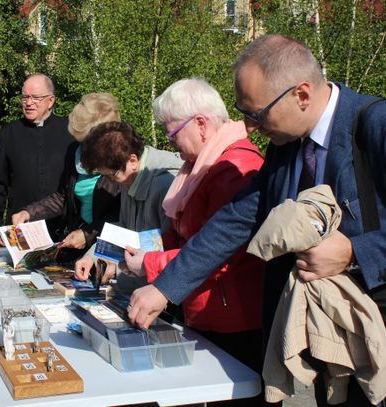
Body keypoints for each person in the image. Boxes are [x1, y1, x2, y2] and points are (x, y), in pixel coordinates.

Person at [127, 34, 386, 406]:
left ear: (301, 94)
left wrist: (354, 251)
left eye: (257, 114)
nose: (250, 126)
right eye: (244, 112)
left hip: (373, 340)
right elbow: (232, 222)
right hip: (320, 344)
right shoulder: (285, 147)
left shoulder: (374, 125)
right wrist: (165, 288)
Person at [124, 78, 265, 389]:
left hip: (234, 321)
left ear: (200, 124)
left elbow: (219, 254)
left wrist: (150, 264)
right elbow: (183, 233)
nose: (169, 141)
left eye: (172, 132)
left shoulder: (232, 169)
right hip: (210, 310)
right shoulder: (202, 164)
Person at [74, 121, 183, 292]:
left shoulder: (166, 185)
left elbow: (168, 254)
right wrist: (93, 256)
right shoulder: (130, 177)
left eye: (111, 175)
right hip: (138, 281)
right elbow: (124, 230)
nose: (111, 182)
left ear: (132, 160)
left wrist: (118, 271)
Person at [11, 93, 121, 260]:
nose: (84, 149)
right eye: (81, 141)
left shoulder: (122, 163)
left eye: (88, 142)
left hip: (109, 248)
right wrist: (28, 213)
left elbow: (121, 217)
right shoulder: (74, 151)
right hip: (77, 240)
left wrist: (87, 235)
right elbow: (62, 196)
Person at [0, 73, 74, 246]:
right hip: (21, 229)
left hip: (63, 230)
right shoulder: (10, 133)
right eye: (25, 97)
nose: (29, 102)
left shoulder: (70, 131)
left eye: (36, 97)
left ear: (51, 101)